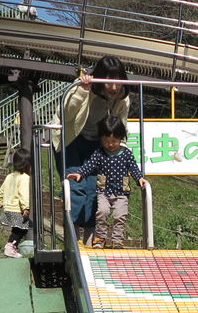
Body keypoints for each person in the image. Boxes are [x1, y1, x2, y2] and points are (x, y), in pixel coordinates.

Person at [57, 56, 131, 242]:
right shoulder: (82, 87)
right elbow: (66, 115)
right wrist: (82, 91)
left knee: (96, 190)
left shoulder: (122, 98)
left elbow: (120, 127)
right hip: (72, 140)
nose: (114, 87)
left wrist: (121, 155)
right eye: (108, 81)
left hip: (97, 145)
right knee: (75, 187)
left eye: (118, 81)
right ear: (99, 78)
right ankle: (72, 242)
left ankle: (90, 241)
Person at [66, 115, 147, 249]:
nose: (110, 144)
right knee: (102, 213)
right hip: (104, 191)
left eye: (114, 141)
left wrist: (139, 178)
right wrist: (80, 173)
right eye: (106, 140)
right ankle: (100, 238)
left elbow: (133, 167)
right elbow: (90, 165)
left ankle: (117, 240)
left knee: (120, 216)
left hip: (122, 192)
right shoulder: (99, 153)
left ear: (121, 138)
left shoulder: (126, 153)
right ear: (101, 138)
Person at [0, 148, 33, 258]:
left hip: (8, 208)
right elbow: (23, 193)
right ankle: (10, 246)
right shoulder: (25, 178)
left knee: (17, 229)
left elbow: (2, 190)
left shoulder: (9, 176)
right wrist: (26, 208)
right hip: (17, 209)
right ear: (27, 165)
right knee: (22, 229)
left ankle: (12, 246)